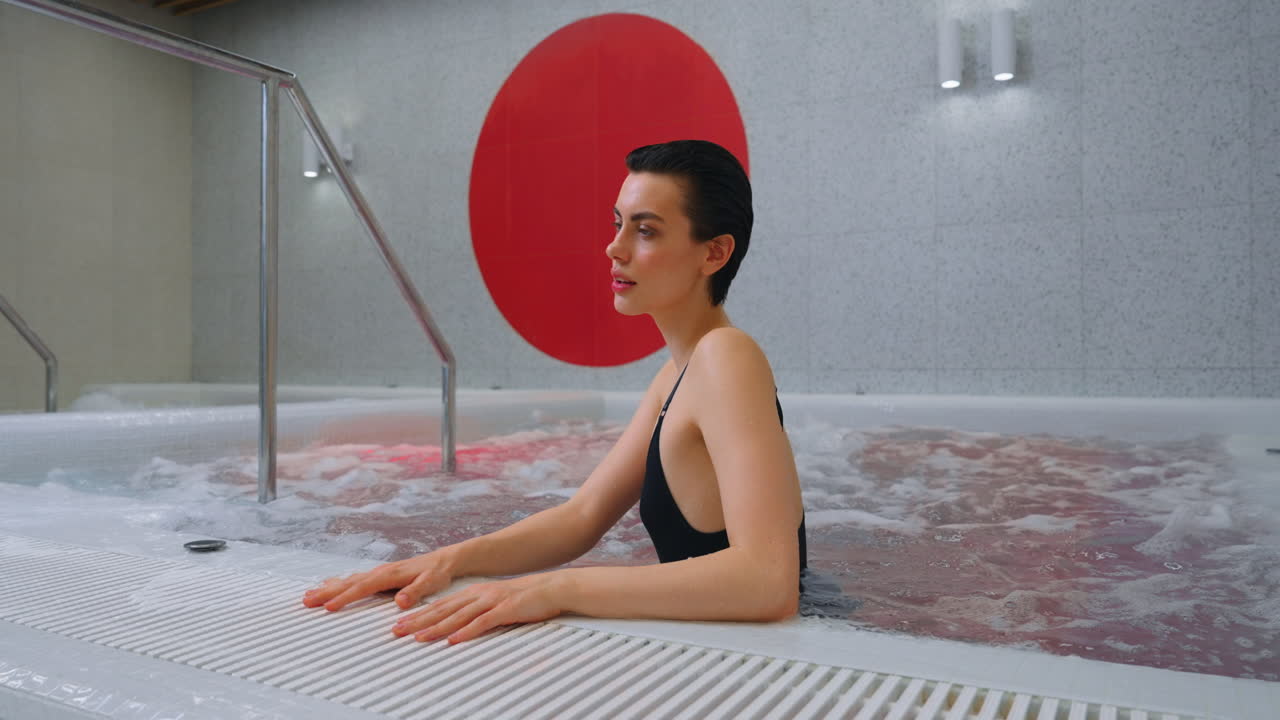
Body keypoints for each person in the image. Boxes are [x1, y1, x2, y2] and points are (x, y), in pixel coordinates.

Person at [302, 139, 808, 644]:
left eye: (646, 230)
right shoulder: (676, 374)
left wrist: (558, 588)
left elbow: (767, 581)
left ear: (714, 253)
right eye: (618, 223)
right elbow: (581, 518)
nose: (615, 247)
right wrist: (446, 560)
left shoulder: (727, 357)